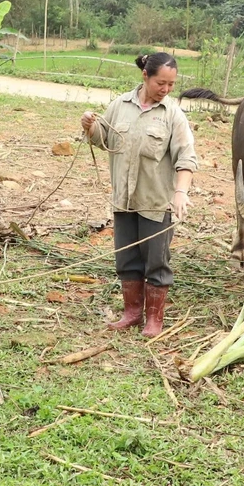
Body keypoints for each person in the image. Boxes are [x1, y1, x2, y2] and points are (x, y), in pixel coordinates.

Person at [80, 52, 197, 338]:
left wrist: (181, 192)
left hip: (156, 203)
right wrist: (90, 126)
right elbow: (103, 139)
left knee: (156, 261)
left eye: (171, 85)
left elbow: (187, 159)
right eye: (161, 83)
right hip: (124, 201)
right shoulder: (119, 106)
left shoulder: (173, 115)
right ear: (145, 75)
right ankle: (132, 313)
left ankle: (154, 319)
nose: (166, 90)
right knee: (127, 259)